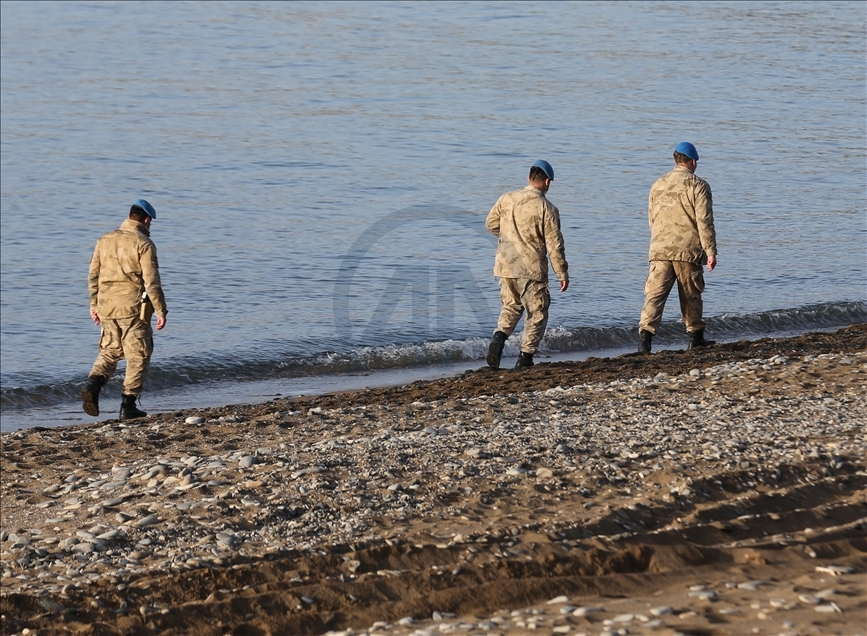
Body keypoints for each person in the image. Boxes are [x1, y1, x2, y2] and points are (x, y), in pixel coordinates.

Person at [81, 199, 168, 420]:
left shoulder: (104, 240)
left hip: (106, 306)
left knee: (110, 351)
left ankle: (93, 386)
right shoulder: (144, 244)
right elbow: (152, 282)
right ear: (146, 220)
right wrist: (160, 310)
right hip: (133, 308)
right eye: (150, 223)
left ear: (130, 216)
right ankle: (128, 406)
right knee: (138, 354)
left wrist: (94, 306)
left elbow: (93, 276)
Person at [485, 159, 569, 370]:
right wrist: (562, 273)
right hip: (531, 268)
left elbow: (490, 224)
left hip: (505, 265)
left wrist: (509, 240)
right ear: (547, 181)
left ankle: (498, 338)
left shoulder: (507, 198)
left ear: (529, 178)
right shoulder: (547, 208)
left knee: (511, 306)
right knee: (537, 311)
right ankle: (526, 357)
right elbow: (554, 245)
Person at [638, 142, 717, 353]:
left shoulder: (657, 184)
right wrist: (710, 252)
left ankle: (645, 340)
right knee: (691, 295)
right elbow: (704, 221)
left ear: (676, 160)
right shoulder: (698, 185)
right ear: (693, 162)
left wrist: (658, 242)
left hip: (660, 249)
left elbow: (651, 218)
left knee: (654, 295)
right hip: (687, 250)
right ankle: (696, 338)